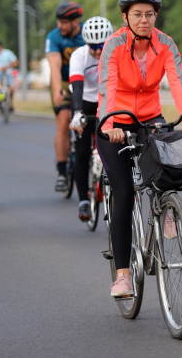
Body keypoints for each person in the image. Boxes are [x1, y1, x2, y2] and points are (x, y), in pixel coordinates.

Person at [97, 0, 182, 297]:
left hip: (150, 118)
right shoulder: (114, 44)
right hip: (114, 121)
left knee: (167, 167)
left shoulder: (165, 43)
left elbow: (178, 83)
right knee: (125, 192)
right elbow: (107, 87)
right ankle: (123, 276)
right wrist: (110, 124)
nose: (144, 19)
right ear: (125, 16)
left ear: (156, 16)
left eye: (150, 14)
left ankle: (166, 209)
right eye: (137, 14)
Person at [69, 16, 113, 221]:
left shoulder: (114, 53)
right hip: (85, 101)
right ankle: (83, 202)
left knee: (113, 144)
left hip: (107, 101)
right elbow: (76, 86)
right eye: (93, 46)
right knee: (83, 150)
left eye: (101, 45)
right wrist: (77, 113)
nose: (97, 50)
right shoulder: (79, 56)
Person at [46, 2, 86, 192]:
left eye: (64, 22)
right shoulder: (53, 37)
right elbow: (54, 66)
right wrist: (56, 91)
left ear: (75, 21)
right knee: (63, 122)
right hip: (62, 81)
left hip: (84, 81)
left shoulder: (87, 33)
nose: (60, 26)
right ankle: (62, 172)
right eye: (58, 22)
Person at [0, 40, 18, 107]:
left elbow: (15, 62)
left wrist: (8, 66)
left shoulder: (7, 53)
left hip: (7, 73)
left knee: (11, 88)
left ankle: (10, 102)